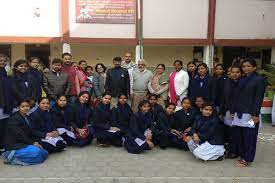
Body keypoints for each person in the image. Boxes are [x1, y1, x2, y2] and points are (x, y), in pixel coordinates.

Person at [231, 59, 266, 167]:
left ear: (254, 67)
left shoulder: (259, 80)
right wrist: (233, 111)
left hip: (251, 113)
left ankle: (248, 159)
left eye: (248, 66)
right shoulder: (241, 79)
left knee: (250, 137)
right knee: (240, 136)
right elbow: (236, 96)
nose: (245, 68)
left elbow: (258, 98)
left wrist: (255, 114)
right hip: (239, 112)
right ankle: (242, 155)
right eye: (244, 66)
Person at [2, 100, 48, 165]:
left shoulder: (27, 117)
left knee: (44, 153)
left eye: (27, 106)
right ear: (18, 108)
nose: (26, 108)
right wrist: (33, 143)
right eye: (23, 106)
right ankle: (10, 156)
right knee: (37, 152)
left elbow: (31, 131)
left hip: (25, 142)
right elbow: (20, 135)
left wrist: (44, 136)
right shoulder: (14, 119)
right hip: (15, 144)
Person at [219, 65, 242, 158]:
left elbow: (238, 100)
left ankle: (236, 151)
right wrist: (221, 112)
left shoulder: (242, 84)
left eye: (237, 72)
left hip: (238, 112)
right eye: (232, 72)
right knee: (229, 132)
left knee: (237, 133)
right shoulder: (227, 83)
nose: (235, 74)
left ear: (241, 73)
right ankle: (232, 150)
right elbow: (223, 99)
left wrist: (233, 111)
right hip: (227, 111)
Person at [0, 54, 13, 150]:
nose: (2, 62)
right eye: (0, 61)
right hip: (0, 104)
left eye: (4, 61)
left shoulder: (7, 73)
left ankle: (3, 146)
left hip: (7, 104)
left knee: (5, 126)